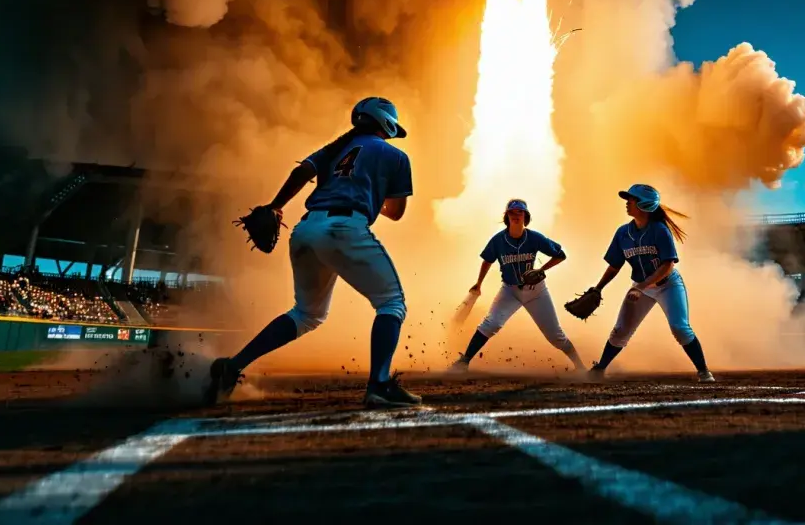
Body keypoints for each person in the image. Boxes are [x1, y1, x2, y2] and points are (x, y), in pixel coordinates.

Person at [205, 96, 421, 408]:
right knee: (391, 303)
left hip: (305, 229)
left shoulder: (335, 148)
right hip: (344, 227)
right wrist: (374, 194)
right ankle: (380, 385)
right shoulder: (396, 156)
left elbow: (301, 173)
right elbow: (396, 212)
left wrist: (275, 206)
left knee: (306, 314)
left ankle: (233, 366)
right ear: (386, 123)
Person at [586, 184, 714, 382]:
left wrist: (642, 286)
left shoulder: (659, 230)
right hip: (641, 288)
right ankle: (600, 368)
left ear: (644, 205)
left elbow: (668, 265)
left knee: (680, 328)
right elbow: (614, 266)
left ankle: (704, 371)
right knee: (621, 330)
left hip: (668, 285)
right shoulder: (623, 233)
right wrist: (598, 288)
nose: (627, 203)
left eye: (632, 199)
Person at [450, 199, 586, 373]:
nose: (515, 215)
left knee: (555, 335)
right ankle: (464, 362)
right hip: (510, 290)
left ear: (525, 216)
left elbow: (560, 255)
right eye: (512, 212)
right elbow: (487, 260)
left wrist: (541, 269)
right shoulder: (498, 240)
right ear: (506, 216)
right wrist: (479, 283)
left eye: (519, 212)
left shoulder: (534, 237)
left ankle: (580, 367)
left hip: (536, 292)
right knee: (491, 324)